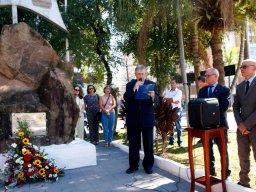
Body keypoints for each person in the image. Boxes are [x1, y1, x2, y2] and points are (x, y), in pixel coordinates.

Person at [124, 64, 159, 174]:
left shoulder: (152, 85)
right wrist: (134, 88)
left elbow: (157, 100)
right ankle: (133, 166)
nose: (141, 76)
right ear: (135, 74)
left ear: (146, 74)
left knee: (148, 144)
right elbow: (126, 98)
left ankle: (148, 166)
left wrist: (153, 96)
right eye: (139, 74)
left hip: (147, 118)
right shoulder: (130, 85)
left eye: (143, 74)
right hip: (133, 118)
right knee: (133, 144)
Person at [197, 68, 231, 179]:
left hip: (219, 126)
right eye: (205, 75)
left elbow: (224, 106)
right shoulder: (202, 91)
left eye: (207, 75)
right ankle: (211, 172)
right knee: (207, 151)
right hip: (205, 127)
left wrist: (210, 112)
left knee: (223, 151)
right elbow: (199, 107)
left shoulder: (224, 90)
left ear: (216, 76)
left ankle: (225, 174)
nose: (205, 77)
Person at [233, 59, 256, 188]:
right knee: (243, 157)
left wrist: (246, 124)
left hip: (254, 128)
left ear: (254, 68)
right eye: (241, 67)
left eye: (245, 66)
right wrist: (240, 124)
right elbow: (235, 107)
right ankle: (244, 182)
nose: (242, 69)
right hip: (241, 130)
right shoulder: (240, 86)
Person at [163, 79, 183, 147]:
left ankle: (180, 142)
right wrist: (173, 100)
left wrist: (169, 99)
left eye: (173, 83)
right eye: (171, 83)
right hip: (170, 110)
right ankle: (171, 141)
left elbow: (171, 99)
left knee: (178, 126)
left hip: (177, 110)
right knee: (170, 126)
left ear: (176, 84)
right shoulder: (168, 91)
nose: (172, 84)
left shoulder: (179, 92)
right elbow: (164, 100)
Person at [196, 75, 208, 144]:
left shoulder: (207, 88)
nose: (197, 83)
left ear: (201, 81)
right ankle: (202, 138)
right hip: (201, 111)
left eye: (198, 82)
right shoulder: (201, 90)